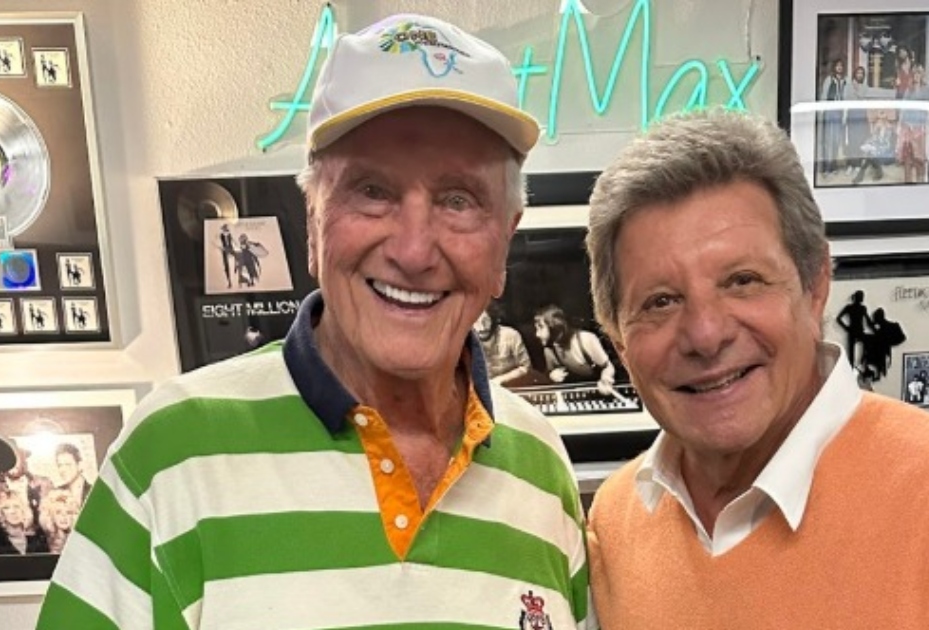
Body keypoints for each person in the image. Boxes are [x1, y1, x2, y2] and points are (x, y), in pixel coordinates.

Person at [36, 13, 590, 630]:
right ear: (313, 224)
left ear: (504, 243)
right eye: (373, 191)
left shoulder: (542, 466)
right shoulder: (170, 452)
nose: (413, 251)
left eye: (458, 200)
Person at [583, 109, 929, 628]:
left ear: (816, 284)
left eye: (742, 281)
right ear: (618, 342)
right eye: (660, 301)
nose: (706, 334)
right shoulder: (615, 524)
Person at [534, 304, 616, 396]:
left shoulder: (586, 339)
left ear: (555, 326)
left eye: (540, 327)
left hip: (600, 393)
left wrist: (606, 379)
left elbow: (608, 367)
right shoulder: (549, 349)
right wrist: (551, 375)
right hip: (574, 395)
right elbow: (550, 376)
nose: (537, 334)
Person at [0, 489, 49, 556]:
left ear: (24, 510)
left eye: (16, 506)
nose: (13, 512)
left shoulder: (38, 538)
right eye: (6, 508)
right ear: (1, 514)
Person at [474, 303, 530, 385]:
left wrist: (501, 380)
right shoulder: (465, 340)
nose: (481, 327)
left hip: (509, 387)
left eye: (485, 321)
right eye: (476, 321)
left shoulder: (510, 335)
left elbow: (526, 368)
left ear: (494, 320)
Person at [37, 489, 80, 554]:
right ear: (50, 516)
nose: (64, 517)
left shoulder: (79, 542)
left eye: (68, 512)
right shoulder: (40, 545)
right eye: (58, 512)